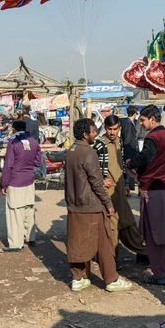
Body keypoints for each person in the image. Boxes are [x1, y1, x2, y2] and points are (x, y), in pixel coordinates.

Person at [65, 118, 132, 292]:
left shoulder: (71, 150)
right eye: (93, 131)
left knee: (77, 241)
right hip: (91, 205)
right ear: (85, 134)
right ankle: (111, 279)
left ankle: (78, 277)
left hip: (74, 204)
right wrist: (108, 203)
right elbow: (96, 182)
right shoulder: (89, 152)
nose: (96, 134)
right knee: (104, 242)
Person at [127, 105, 165, 285]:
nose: (141, 124)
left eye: (142, 120)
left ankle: (160, 275)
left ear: (152, 119)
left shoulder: (153, 137)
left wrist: (130, 163)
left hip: (154, 189)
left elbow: (144, 158)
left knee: (154, 233)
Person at [94, 115, 145, 264]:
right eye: (109, 129)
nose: (112, 132)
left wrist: (125, 184)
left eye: (115, 129)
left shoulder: (118, 141)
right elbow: (90, 166)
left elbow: (119, 165)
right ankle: (111, 260)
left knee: (127, 221)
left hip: (120, 188)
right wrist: (101, 179)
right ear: (105, 127)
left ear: (119, 128)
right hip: (108, 191)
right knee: (112, 224)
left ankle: (142, 251)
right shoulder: (99, 144)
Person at [0, 120, 41, 252]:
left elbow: (8, 165)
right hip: (29, 180)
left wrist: (4, 184)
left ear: (14, 129)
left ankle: (16, 244)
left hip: (15, 181)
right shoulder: (34, 142)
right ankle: (30, 237)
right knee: (29, 208)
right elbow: (38, 162)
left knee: (15, 213)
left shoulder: (13, 143)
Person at [120, 106, 139, 191]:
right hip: (129, 149)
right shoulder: (128, 123)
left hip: (132, 148)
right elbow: (127, 138)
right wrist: (127, 152)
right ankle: (128, 185)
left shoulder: (129, 122)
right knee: (129, 167)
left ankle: (130, 185)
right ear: (134, 114)